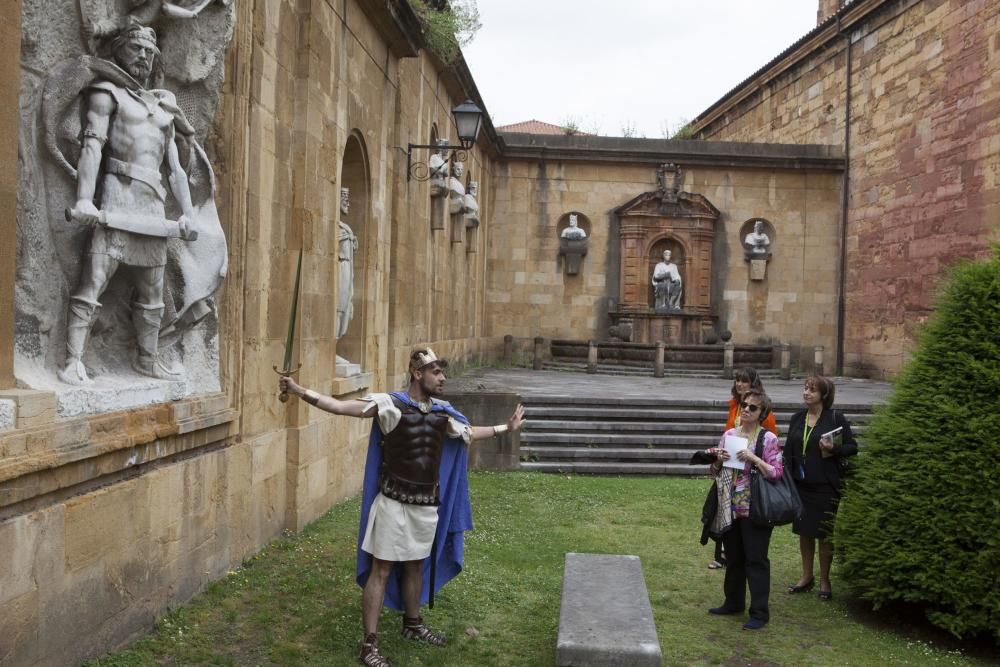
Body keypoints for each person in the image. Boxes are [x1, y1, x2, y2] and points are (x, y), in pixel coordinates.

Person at [279, 348, 525, 667]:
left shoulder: (443, 413)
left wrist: (505, 428)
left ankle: (413, 624)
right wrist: (299, 391)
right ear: (417, 373)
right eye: (436, 372)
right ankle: (369, 646)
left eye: (442, 372)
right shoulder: (388, 405)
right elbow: (340, 407)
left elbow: (467, 434)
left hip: (426, 503)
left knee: (416, 565)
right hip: (393, 502)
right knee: (382, 569)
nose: (443, 378)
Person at [59, 22, 196, 385]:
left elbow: (176, 170)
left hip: (152, 210)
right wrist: (85, 200)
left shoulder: (164, 108)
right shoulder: (106, 94)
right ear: (118, 49)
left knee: (153, 294)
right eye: (136, 48)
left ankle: (147, 360)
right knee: (93, 283)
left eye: (150, 52)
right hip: (116, 202)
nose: (144, 57)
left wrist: (188, 212)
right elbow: (92, 146)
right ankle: (72, 360)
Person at [705, 389, 784, 630]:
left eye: (753, 407)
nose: (746, 410)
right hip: (729, 505)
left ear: (762, 414)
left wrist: (753, 458)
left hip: (755, 508)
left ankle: (759, 612)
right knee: (735, 557)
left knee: (756, 559)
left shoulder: (768, 439)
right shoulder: (730, 434)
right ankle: (733, 602)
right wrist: (717, 460)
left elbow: (777, 472)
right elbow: (714, 472)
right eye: (744, 405)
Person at [783, 375, 858, 601]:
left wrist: (833, 449)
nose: (806, 393)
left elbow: (852, 447)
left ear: (823, 395)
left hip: (826, 485)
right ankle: (807, 576)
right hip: (801, 484)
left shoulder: (835, 418)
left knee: (824, 534)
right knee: (804, 532)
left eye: (812, 390)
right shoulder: (798, 418)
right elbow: (788, 449)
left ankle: (825, 579)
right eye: (805, 389)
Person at [705, 368, 778, 570]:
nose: (739, 384)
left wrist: (754, 456)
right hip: (730, 477)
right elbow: (727, 435)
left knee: (754, 554)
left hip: (752, 488)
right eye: (737, 380)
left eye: (744, 381)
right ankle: (722, 556)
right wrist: (720, 457)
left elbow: (769, 447)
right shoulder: (733, 407)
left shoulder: (766, 423)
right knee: (727, 519)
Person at [337, 187, 358, 340]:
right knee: (338, 306)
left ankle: (336, 339)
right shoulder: (338, 228)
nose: (349, 204)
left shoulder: (345, 228)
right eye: (345, 200)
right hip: (341, 268)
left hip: (347, 270)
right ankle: (334, 340)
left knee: (345, 306)